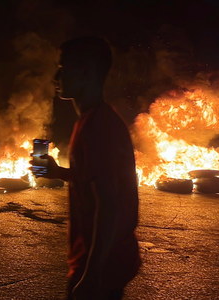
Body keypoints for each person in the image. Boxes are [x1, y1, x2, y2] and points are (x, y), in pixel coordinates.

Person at [32, 37, 141, 299]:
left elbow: (109, 203)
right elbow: (95, 180)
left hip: (100, 268)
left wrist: (92, 276)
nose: (56, 76)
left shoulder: (98, 127)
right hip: (101, 262)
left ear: (86, 72)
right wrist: (59, 173)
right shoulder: (91, 121)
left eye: (63, 67)